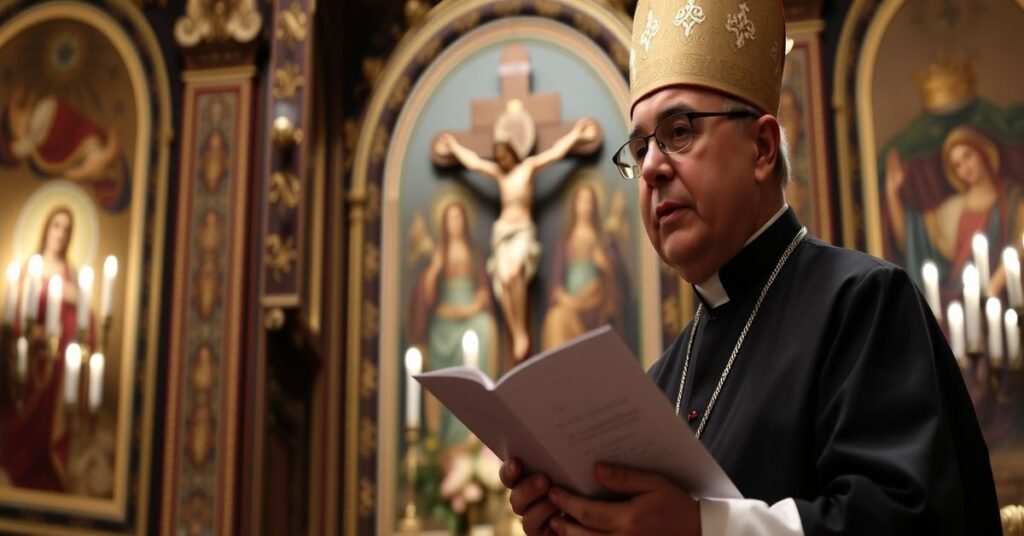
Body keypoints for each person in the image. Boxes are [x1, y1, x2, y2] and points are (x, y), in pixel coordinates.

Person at [499, 1, 1001, 535]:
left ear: (762, 148)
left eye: (679, 130)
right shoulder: (660, 381)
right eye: (640, 146)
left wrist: (701, 529)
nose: (651, 168)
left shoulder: (865, 305)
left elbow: (912, 520)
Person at [435, 105, 597, 362]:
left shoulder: (528, 168)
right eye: (497, 157)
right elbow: (474, 164)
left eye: (504, 155)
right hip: (502, 233)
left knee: (513, 272)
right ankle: (516, 329)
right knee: (503, 280)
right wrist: (454, 149)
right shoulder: (500, 175)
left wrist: (576, 135)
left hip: (521, 232)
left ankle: (521, 331)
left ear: (512, 151)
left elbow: (555, 154)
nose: (501, 161)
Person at [1, 206, 93, 492]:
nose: (61, 233)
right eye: (56, 225)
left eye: (67, 229)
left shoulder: (72, 277)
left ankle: (48, 472)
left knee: (51, 424)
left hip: (59, 368)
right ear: (46, 228)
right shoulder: (31, 269)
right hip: (28, 364)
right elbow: (12, 314)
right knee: (20, 416)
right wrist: (31, 332)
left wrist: (78, 301)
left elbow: (86, 325)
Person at [886, 126, 1024, 300]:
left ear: (982, 152)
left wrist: (992, 289)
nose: (965, 167)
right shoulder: (952, 209)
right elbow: (911, 236)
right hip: (958, 299)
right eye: (957, 165)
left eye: (967, 156)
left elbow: (1020, 248)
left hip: (1002, 301)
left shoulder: (1014, 201)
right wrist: (892, 192)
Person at [409, 201, 498, 448]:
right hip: (446, 316)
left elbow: (483, 293)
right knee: (437, 334)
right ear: (444, 225)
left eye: (459, 218)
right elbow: (427, 297)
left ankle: (477, 427)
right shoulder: (438, 254)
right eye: (451, 219)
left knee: (486, 326)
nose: (455, 223)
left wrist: (472, 306)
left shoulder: (474, 253)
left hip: (471, 312)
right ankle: (447, 437)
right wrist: (435, 268)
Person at [540, 183, 623, 350]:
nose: (585, 206)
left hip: (596, 305)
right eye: (581, 201)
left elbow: (616, 280)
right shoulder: (565, 240)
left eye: (589, 201)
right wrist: (569, 301)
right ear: (574, 205)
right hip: (570, 304)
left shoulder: (603, 238)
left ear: (594, 205)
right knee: (555, 318)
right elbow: (556, 283)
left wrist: (604, 264)